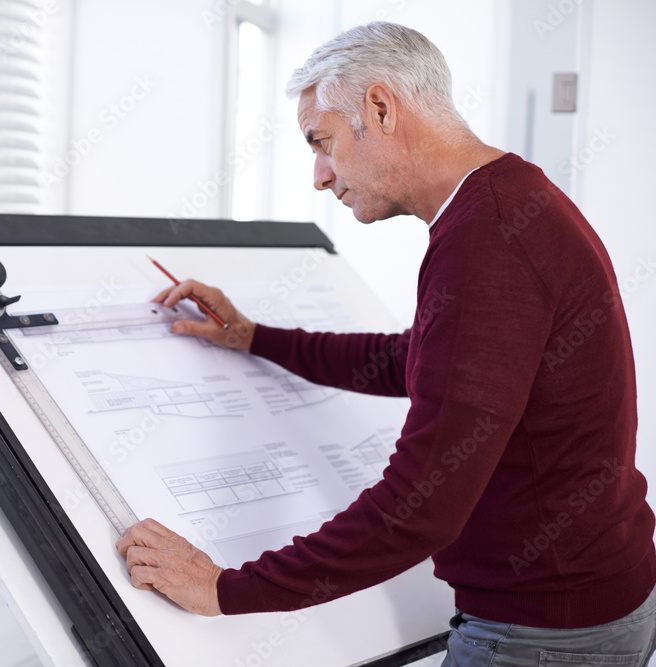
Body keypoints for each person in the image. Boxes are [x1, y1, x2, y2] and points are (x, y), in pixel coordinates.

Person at [116, 21, 656, 664]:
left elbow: (421, 505)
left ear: (379, 107)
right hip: (590, 601)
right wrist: (254, 337)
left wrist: (226, 589)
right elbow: (417, 360)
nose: (319, 175)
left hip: (545, 633)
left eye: (321, 142)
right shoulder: (504, 201)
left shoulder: (491, 240)